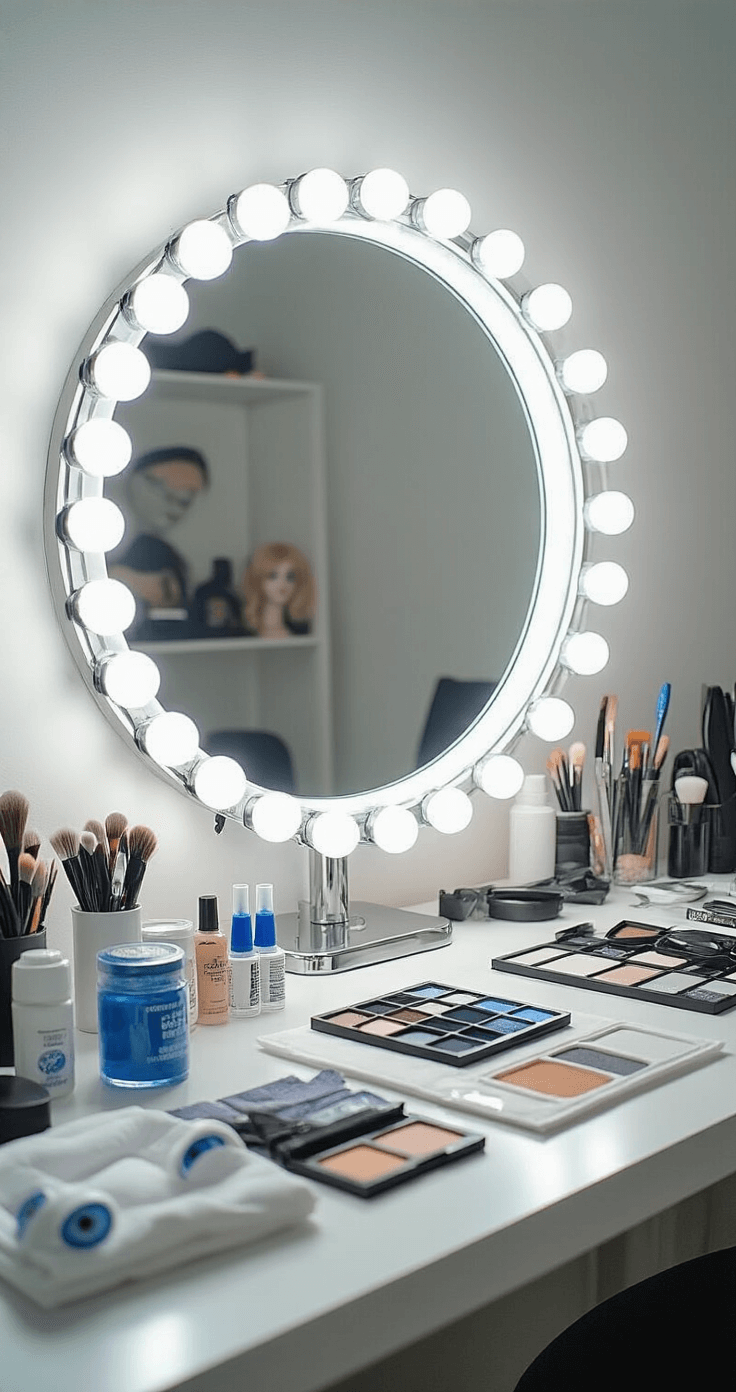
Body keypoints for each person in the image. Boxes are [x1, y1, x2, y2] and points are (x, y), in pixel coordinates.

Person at [108, 446, 209, 616]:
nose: (174, 504)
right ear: (133, 480)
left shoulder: (162, 553)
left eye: (186, 498)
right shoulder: (105, 537)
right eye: (159, 485)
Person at [241, 542, 315, 639]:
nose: (282, 584)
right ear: (257, 579)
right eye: (273, 576)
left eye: (290, 577)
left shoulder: (302, 631)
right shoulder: (243, 634)